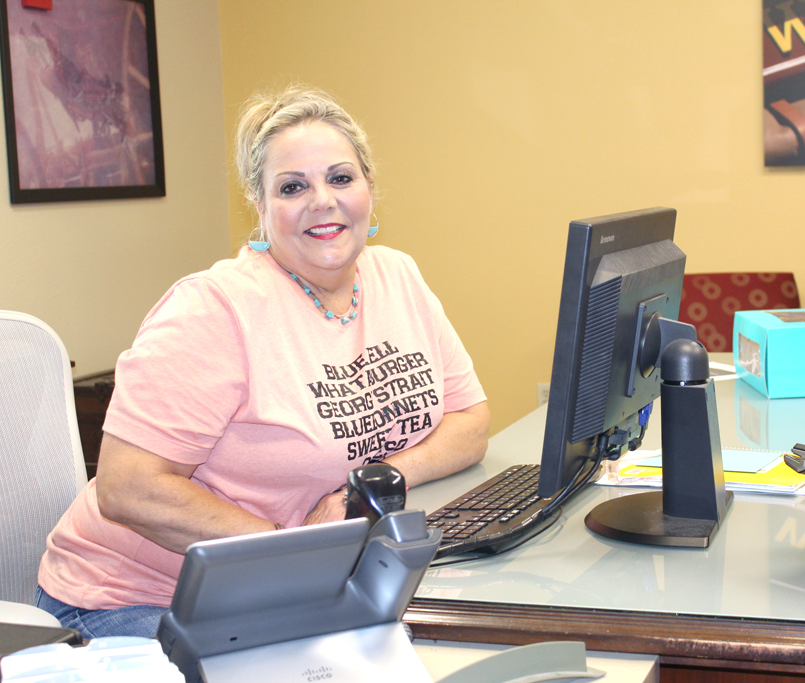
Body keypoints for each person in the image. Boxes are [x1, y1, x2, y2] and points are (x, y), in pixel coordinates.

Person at [35, 84, 490, 639]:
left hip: (308, 583)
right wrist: (292, 548)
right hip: (139, 600)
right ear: (261, 207)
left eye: (341, 178)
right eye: (293, 186)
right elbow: (127, 488)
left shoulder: (398, 276)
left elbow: (470, 423)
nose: (322, 199)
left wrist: (380, 479)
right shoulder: (214, 309)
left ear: (370, 189)